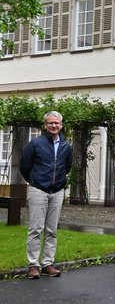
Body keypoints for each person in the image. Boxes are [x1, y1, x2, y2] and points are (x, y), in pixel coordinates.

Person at [20, 111, 73, 279]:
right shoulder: (35, 144)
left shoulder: (66, 146)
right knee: (35, 229)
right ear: (45, 125)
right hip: (38, 190)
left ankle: (47, 264)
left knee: (52, 230)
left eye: (57, 123)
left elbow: (67, 166)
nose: (54, 125)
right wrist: (34, 181)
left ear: (61, 125)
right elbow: (24, 166)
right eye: (50, 123)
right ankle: (33, 265)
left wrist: (58, 182)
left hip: (57, 191)